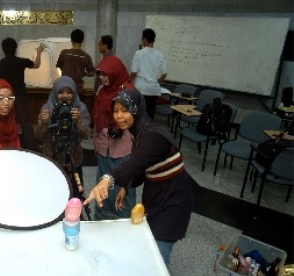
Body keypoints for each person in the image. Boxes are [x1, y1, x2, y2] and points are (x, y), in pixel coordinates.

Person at [84, 88, 193, 266]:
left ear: (137, 109)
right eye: (116, 110)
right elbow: (141, 168)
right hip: (158, 197)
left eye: (125, 110)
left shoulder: (153, 136)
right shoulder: (140, 132)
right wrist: (126, 186)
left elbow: (134, 164)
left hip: (173, 203)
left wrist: (107, 179)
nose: (119, 116)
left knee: (158, 258)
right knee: (151, 248)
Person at [93, 55, 136, 220]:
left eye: (106, 74)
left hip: (123, 148)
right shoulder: (102, 91)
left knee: (122, 187)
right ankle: (103, 220)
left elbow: (137, 121)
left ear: (115, 72)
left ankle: (123, 223)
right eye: (100, 75)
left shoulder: (130, 92)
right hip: (105, 146)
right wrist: (97, 144)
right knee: (103, 185)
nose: (102, 78)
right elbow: (98, 117)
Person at [34, 76, 90, 198]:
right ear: (55, 93)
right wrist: (44, 123)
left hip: (73, 157)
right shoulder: (47, 108)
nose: (65, 96)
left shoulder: (80, 108)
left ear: (74, 93)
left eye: (69, 92)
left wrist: (78, 121)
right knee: (53, 193)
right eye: (61, 92)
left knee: (75, 195)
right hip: (52, 157)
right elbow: (38, 136)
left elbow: (86, 135)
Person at [0, 37, 43, 150]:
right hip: (20, 95)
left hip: (6, 97)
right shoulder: (21, 61)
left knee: (5, 122)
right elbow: (36, 64)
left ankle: (6, 145)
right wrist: (39, 52)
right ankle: (31, 146)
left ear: (3, 49)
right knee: (25, 121)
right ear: (15, 48)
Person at [130, 28, 167, 120]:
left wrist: (128, 81)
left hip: (141, 89)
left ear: (145, 39)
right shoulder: (160, 54)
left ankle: (138, 133)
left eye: (142, 39)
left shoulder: (139, 53)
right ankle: (148, 132)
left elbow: (134, 72)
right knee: (150, 115)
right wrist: (157, 82)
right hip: (154, 90)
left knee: (138, 115)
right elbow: (164, 74)